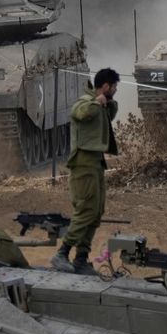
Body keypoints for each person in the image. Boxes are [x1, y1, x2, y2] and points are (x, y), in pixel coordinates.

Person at [51, 68, 119, 276]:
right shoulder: (86, 101)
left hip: (95, 163)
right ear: (105, 86)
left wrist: (107, 102)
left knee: (96, 212)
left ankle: (81, 258)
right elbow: (79, 112)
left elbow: (110, 114)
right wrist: (97, 101)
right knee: (85, 211)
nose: (116, 90)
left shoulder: (101, 103)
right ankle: (62, 253)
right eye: (114, 87)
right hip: (83, 165)